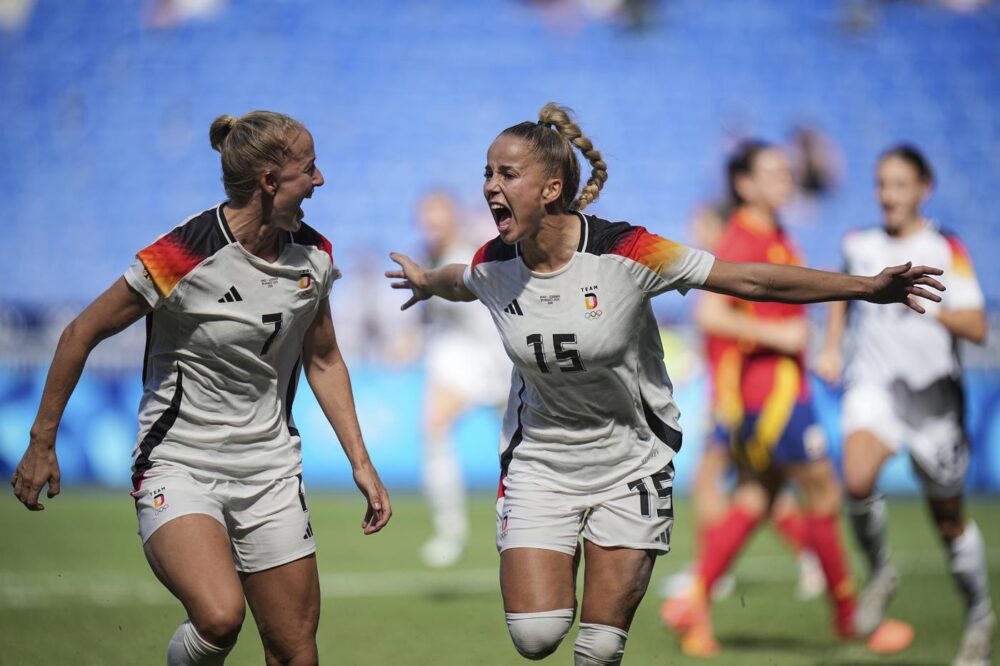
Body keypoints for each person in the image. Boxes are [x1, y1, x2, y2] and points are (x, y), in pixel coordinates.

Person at [385, 103, 942, 665]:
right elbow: (461, 279)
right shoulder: (493, 262)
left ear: (552, 188)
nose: (490, 187)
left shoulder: (628, 251)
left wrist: (866, 288)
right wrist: (426, 281)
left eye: (507, 174)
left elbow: (747, 278)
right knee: (536, 635)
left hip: (631, 465)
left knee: (598, 650)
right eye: (487, 173)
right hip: (540, 467)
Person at [10, 110, 392, 666]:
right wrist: (42, 442)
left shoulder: (315, 256)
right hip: (179, 464)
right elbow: (80, 333)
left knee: (295, 653)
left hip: (271, 473)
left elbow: (325, 358)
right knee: (219, 617)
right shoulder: (182, 253)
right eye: (309, 169)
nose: (320, 180)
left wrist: (360, 460)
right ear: (269, 182)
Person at [816, 144, 994, 666]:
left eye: (899, 184)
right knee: (856, 478)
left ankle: (980, 618)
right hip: (875, 389)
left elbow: (978, 326)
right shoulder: (860, 244)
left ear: (923, 188)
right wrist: (830, 348)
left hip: (934, 404)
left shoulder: (945, 248)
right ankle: (879, 574)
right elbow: (840, 297)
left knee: (949, 522)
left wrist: (921, 304)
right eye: (881, 184)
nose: (888, 195)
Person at [414, 190, 510, 568]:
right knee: (434, 427)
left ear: (453, 217)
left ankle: (521, 517)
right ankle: (450, 528)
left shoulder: (475, 250)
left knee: (514, 446)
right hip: (455, 356)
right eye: (426, 217)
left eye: (437, 215)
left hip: (496, 355)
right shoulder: (426, 257)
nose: (431, 225)